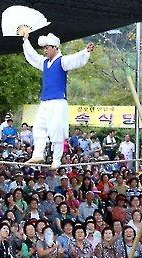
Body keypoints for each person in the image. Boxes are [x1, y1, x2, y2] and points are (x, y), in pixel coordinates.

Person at [22, 31, 94, 169]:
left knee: (56, 130)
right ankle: (38, 153)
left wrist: (85, 51)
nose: (44, 51)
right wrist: (26, 40)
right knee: (38, 127)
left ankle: (56, 159)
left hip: (58, 101)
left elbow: (75, 59)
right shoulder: (44, 63)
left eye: (47, 48)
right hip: (45, 101)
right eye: (44, 48)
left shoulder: (62, 61)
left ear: (55, 47)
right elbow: (32, 56)